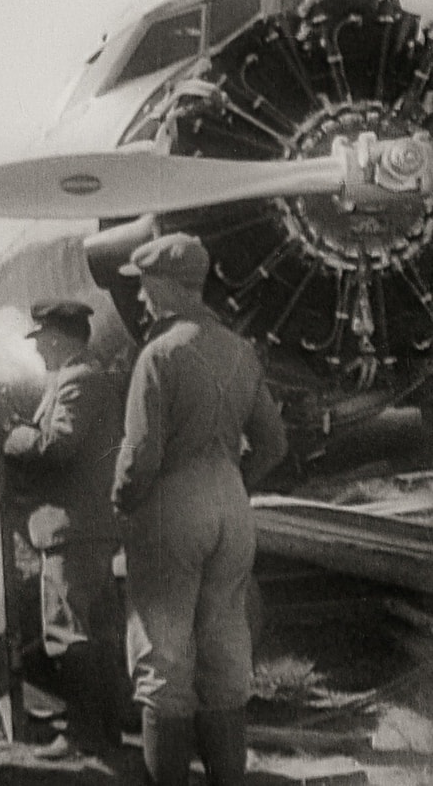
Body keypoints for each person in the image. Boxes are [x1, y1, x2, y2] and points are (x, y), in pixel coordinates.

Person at [113, 233, 288, 786]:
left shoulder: (158, 354)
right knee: (224, 655)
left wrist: (123, 504)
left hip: (174, 507)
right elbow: (276, 443)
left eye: (143, 288)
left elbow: (140, 456)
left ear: (162, 287)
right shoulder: (241, 350)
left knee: (164, 663)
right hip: (232, 509)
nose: (140, 300)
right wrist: (235, 483)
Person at [0, 300, 127, 761]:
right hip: (87, 525)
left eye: (40, 343)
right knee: (97, 633)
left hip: (72, 527)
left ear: (54, 340)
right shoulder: (84, 379)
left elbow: (57, 446)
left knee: (70, 636)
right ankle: (103, 733)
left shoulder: (77, 381)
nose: (37, 353)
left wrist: (10, 433)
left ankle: (82, 736)